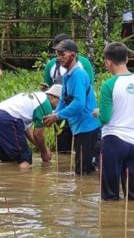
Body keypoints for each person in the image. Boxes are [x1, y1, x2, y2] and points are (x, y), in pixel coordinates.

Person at [98, 42, 134, 201]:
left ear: (108, 62)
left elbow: (105, 118)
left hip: (113, 141)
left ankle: (112, 222)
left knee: (110, 196)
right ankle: (133, 223)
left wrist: (98, 112)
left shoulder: (109, 85)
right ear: (127, 59)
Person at [43, 39, 101, 175]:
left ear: (73, 55)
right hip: (79, 128)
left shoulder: (78, 75)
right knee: (81, 169)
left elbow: (79, 104)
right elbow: (63, 99)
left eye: (62, 54)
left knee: (83, 171)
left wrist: (57, 116)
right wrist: (54, 115)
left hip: (88, 128)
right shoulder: (67, 75)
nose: (59, 58)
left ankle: (86, 195)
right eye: (58, 54)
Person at [0, 84, 62, 169]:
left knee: (9, 160)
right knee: (25, 158)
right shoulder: (46, 105)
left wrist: (43, 148)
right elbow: (38, 135)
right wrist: (44, 152)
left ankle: (7, 180)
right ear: (53, 97)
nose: (61, 105)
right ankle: (23, 181)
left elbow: (27, 129)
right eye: (61, 101)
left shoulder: (37, 97)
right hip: (8, 120)